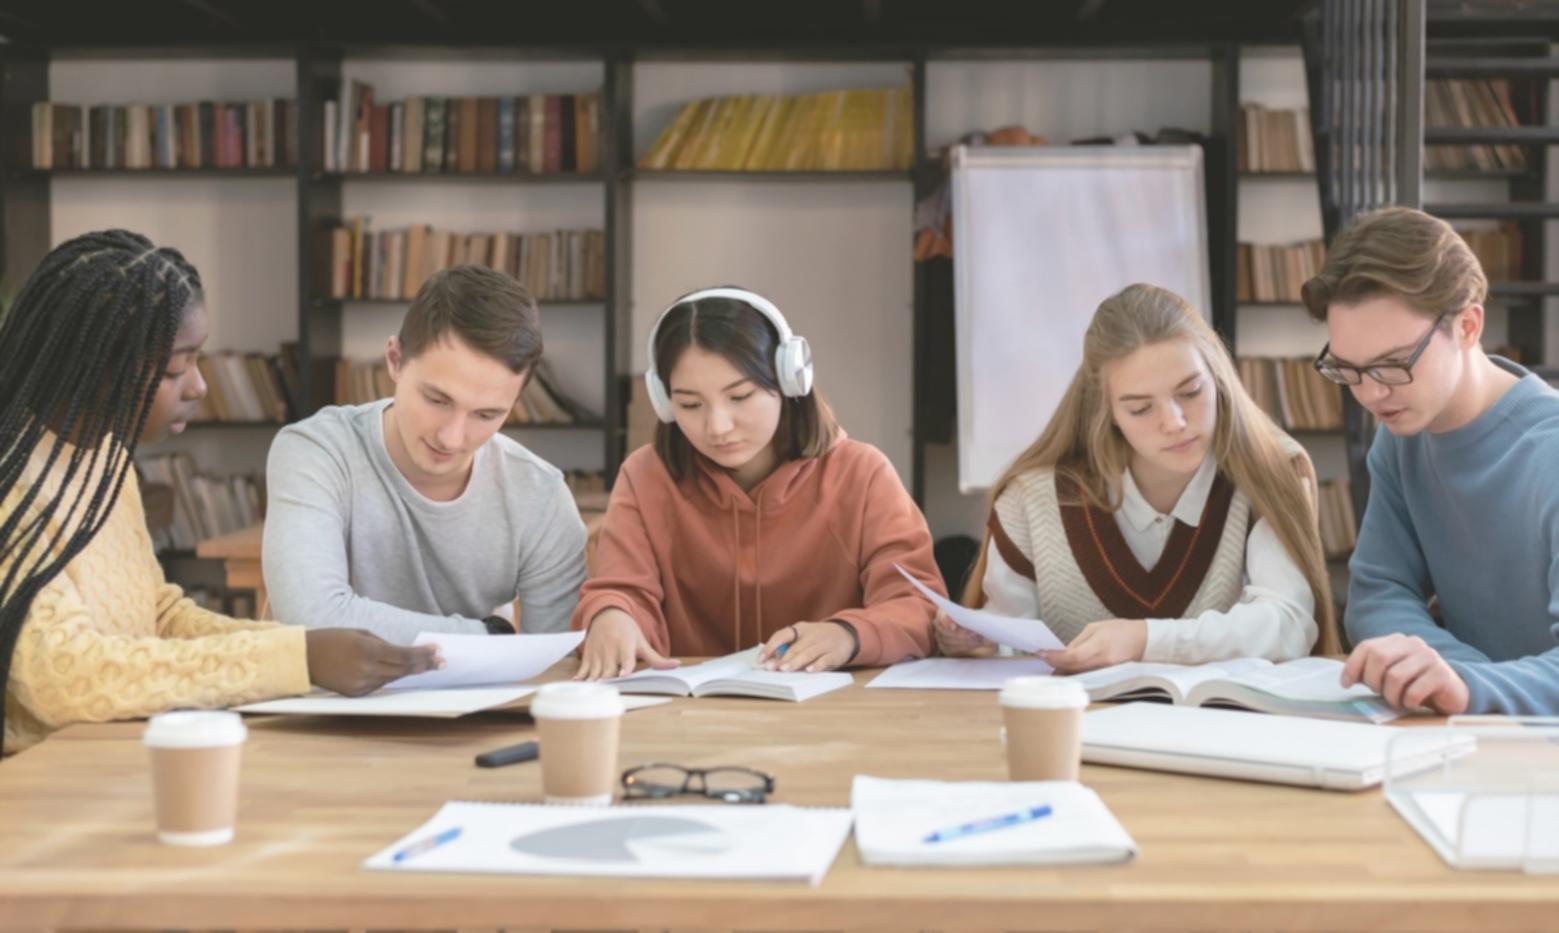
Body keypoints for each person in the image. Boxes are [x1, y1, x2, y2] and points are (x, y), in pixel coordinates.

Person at [0, 230, 438, 757]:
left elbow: (155, 616)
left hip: (125, 756)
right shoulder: (13, 488)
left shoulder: (105, 457)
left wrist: (295, 649)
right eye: (175, 369)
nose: (199, 387)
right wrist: (295, 661)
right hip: (45, 789)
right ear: (93, 366)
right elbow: (65, 681)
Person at [939, 282, 1335, 672]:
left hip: (1227, 727)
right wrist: (977, 644)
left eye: (1191, 391)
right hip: (1078, 730)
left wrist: (1143, 640)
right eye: (1141, 408)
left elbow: (1289, 624)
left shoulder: (1272, 471)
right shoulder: (1032, 498)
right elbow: (1010, 648)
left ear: (1217, 377)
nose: (1174, 422)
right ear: (1105, 411)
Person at [572, 286, 940, 679]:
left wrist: (849, 634)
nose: (717, 426)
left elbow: (918, 605)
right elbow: (622, 589)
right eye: (690, 405)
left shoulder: (862, 474)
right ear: (664, 403)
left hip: (831, 713)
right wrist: (611, 615)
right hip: (685, 715)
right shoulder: (645, 477)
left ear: (789, 380)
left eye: (741, 396)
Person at [1306, 207, 1559, 715]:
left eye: (1394, 364)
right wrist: (1447, 677)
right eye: (1349, 369)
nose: (1372, 393)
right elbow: (1377, 596)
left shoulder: (1548, 452)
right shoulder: (1401, 441)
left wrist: (1467, 684)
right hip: (1471, 736)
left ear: (1467, 325)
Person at [263, 265, 587, 643]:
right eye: (437, 399)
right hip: (335, 702)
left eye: (486, 415)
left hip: (477, 700)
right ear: (395, 360)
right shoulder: (315, 452)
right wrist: (488, 637)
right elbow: (314, 619)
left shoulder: (541, 496)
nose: (452, 437)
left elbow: (553, 661)